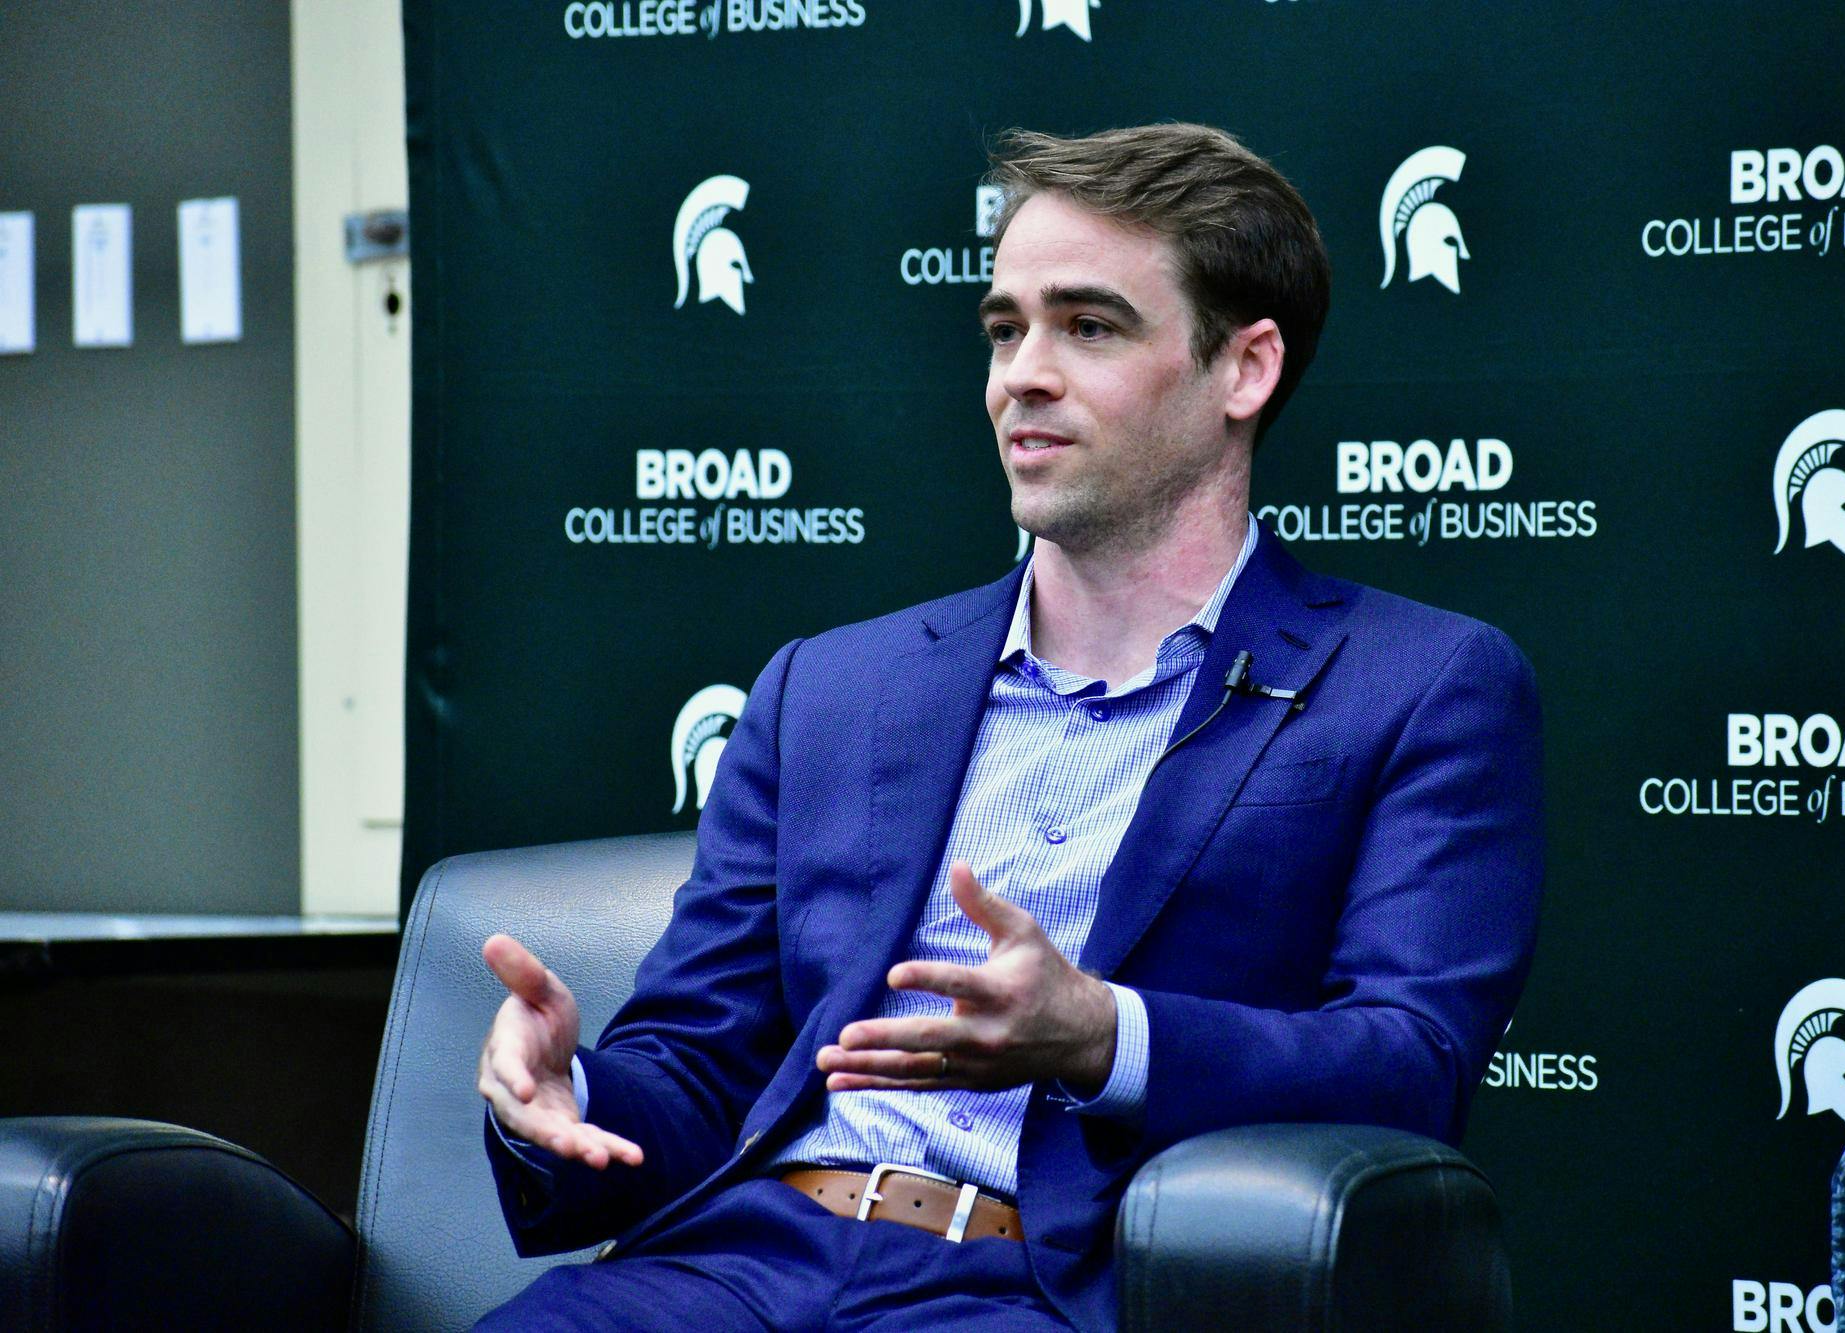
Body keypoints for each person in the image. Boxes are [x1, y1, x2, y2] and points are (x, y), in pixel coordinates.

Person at [474, 122, 1543, 1331]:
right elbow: (702, 1060)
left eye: (1087, 326)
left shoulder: (1419, 683)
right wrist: (571, 1086)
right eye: (1003, 328)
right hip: (736, 1263)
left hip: (1041, 1286)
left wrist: (1099, 1035)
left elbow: (1410, 1067)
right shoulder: (829, 686)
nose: (1018, 374)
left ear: (1242, 370)